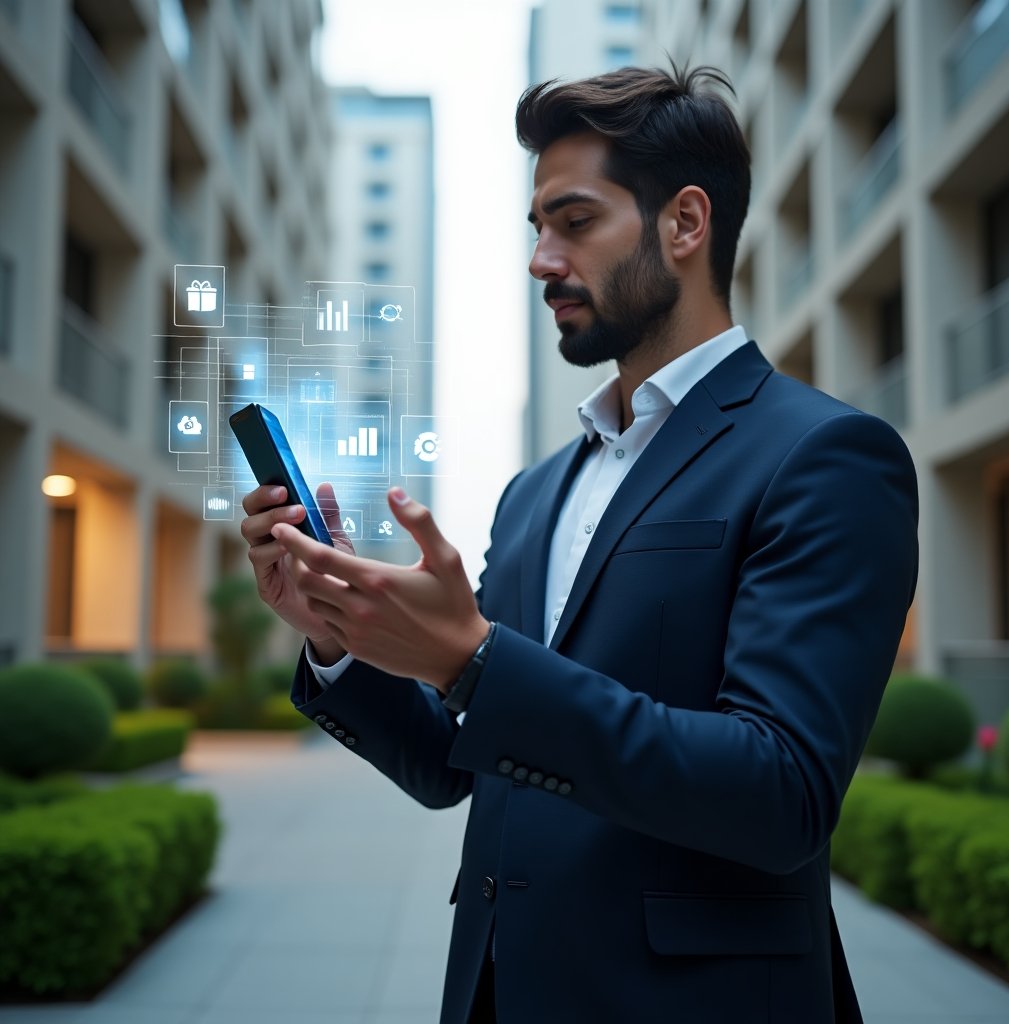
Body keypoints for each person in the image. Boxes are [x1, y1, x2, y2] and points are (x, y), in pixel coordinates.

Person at [240, 64, 918, 1024]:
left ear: (684, 224)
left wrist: (474, 662)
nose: (541, 260)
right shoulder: (533, 494)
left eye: (575, 221)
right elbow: (451, 764)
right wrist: (339, 638)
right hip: (496, 993)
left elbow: (782, 794)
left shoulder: (827, 456)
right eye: (536, 229)